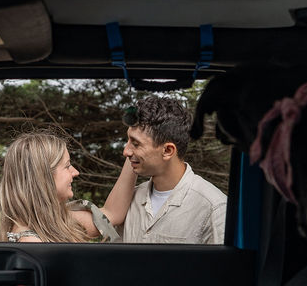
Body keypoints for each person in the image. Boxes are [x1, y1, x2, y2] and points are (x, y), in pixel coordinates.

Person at [96, 96, 227, 244]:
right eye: (128, 140)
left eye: (136, 144)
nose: (125, 152)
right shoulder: (128, 201)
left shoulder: (214, 208)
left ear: (168, 150)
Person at [0, 132, 126, 243]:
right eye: (67, 166)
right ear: (44, 176)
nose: (75, 172)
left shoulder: (56, 221)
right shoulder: (33, 243)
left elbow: (113, 213)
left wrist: (133, 154)